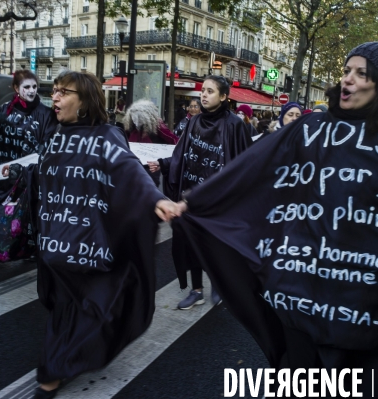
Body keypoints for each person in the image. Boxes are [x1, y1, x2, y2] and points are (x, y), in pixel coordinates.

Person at [167, 42, 378, 388]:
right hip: (301, 286)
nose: (348, 80)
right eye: (347, 70)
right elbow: (253, 169)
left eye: (361, 74)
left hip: (360, 301)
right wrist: (196, 202)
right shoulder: (311, 128)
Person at [28, 70, 176, 398]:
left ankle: (52, 371)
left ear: (84, 101)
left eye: (64, 92)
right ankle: (56, 367)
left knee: (84, 308)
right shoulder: (54, 134)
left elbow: (129, 171)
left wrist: (157, 200)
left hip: (89, 247)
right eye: (54, 91)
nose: (54, 97)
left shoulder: (106, 137)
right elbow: (45, 174)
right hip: (56, 243)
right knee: (74, 309)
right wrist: (22, 172)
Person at [147, 75, 252, 310]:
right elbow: (180, 153)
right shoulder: (194, 122)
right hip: (190, 196)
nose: (203, 95)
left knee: (215, 244)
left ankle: (218, 281)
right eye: (202, 90)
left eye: (210, 91)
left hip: (218, 200)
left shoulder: (234, 124)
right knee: (190, 243)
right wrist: (163, 164)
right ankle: (197, 290)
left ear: (224, 97)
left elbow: (245, 162)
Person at [0, 70, 58, 269]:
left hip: (27, 177)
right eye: (26, 87)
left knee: (31, 215)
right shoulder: (5, 109)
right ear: (16, 89)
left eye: (34, 87)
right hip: (1, 174)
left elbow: (48, 142)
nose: (31, 91)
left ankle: (33, 250)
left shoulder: (46, 114)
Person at [124, 99, 179, 186]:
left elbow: (173, 139)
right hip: (134, 165)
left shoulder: (157, 126)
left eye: (138, 117)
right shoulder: (131, 128)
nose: (135, 120)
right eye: (133, 117)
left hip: (150, 166)